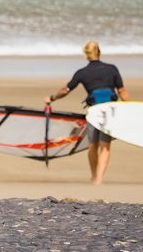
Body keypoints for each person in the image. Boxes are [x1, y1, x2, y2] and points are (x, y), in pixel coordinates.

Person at [46, 41, 129, 185]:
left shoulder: (82, 72)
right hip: (109, 111)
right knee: (105, 146)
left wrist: (52, 98)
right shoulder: (112, 69)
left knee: (92, 145)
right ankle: (99, 178)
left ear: (86, 55)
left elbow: (65, 90)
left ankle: (94, 176)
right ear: (99, 52)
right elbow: (122, 91)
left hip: (93, 112)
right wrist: (130, 108)